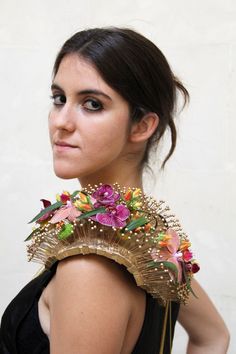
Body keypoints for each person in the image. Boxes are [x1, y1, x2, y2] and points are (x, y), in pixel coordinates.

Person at [0, 27, 229, 354]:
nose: (61, 121)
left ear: (141, 126)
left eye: (92, 104)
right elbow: (213, 336)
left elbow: (213, 337)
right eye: (59, 98)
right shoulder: (152, 239)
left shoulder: (91, 269)